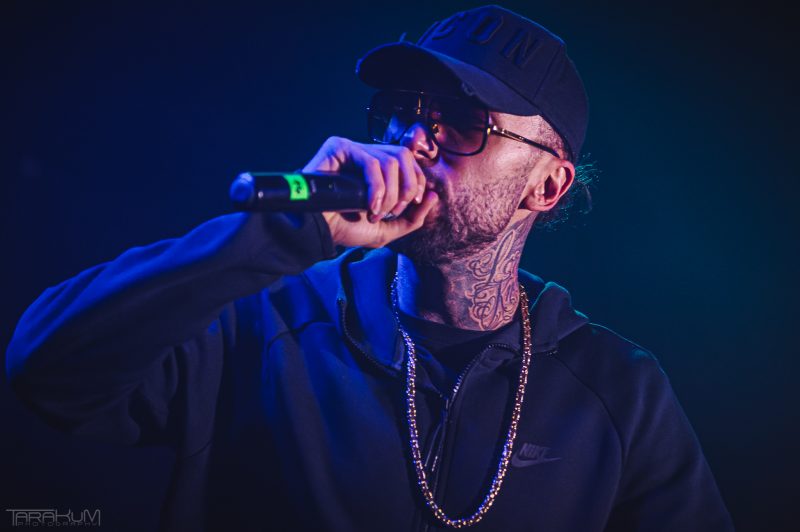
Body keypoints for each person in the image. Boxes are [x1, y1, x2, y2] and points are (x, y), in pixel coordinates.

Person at [5, 5, 733, 531]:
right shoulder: (266, 321)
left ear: (546, 186)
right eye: (402, 109)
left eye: (464, 120)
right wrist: (275, 238)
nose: (415, 137)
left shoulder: (619, 390)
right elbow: (46, 373)